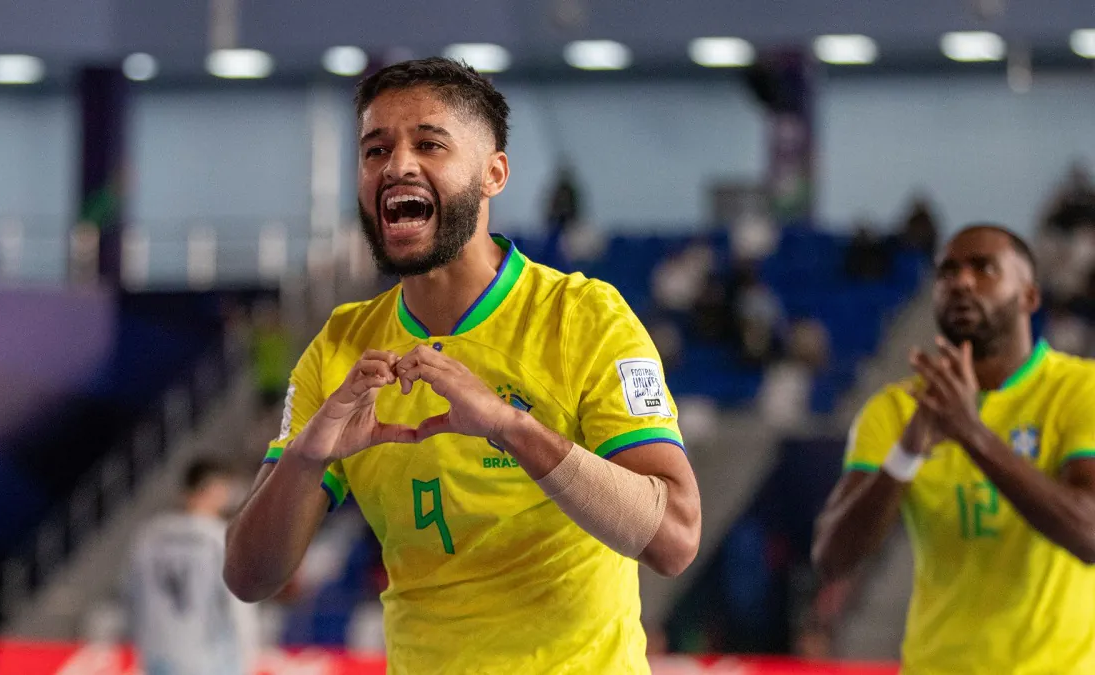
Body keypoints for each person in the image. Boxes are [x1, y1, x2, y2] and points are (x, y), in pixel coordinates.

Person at [223, 58, 702, 675]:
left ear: (493, 173)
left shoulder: (584, 317)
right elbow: (248, 577)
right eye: (375, 150)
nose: (396, 164)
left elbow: (674, 538)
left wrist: (510, 427)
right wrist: (308, 455)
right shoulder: (341, 347)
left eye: (429, 143)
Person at [812, 224, 1095, 674]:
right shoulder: (894, 410)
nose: (961, 281)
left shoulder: (1081, 390)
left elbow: (1089, 533)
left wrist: (971, 433)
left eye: (985, 269)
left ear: (1029, 296)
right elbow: (831, 557)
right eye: (948, 271)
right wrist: (906, 453)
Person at [127, 458, 258, 675]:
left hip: (159, 658)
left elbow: (133, 597)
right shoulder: (222, 538)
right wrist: (249, 657)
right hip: (210, 660)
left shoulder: (148, 537)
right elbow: (239, 605)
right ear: (216, 490)